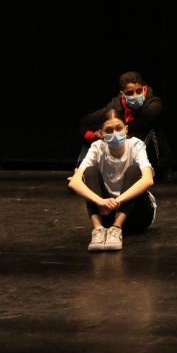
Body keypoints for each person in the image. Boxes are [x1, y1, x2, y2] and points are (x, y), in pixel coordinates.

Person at [67, 107, 156, 252]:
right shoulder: (97, 147)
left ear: (126, 129)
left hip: (137, 215)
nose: (114, 133)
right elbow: (74, 182)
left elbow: (148, 180)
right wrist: (99, 201)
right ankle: (98, 229)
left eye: (118, 128)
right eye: (109, 130)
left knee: (134, 170)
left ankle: (117, 228)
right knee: (90, 171)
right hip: (107, 212)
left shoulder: (136, 145)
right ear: (101, 134)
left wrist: (119, 201)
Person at [77, 71, 171, 180]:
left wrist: (111, 132)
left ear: (144, 88)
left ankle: (151, 170)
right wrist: (94, 136)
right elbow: (85, 122)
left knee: (144, 132)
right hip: (122, 155)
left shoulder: (153, 106)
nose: (135, 95)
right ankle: (80, 172)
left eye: (139, 91)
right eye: (130, 93)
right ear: (123, 94)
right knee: (97, 136)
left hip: (149, 157)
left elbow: (138, 126)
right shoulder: (115, 107)